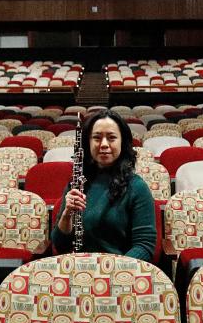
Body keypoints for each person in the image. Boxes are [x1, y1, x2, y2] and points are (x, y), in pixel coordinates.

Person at [51, 109, 156, 262]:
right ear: (88, 142)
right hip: (80, 270)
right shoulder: (77, 183)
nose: (104, 144)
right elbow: (60, 246)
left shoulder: (137, 188)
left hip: (121, 274)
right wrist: (67, 215)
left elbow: (144, 246)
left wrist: (112, 272)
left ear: (122, 142)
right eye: (97, 138)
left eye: (112, 138)